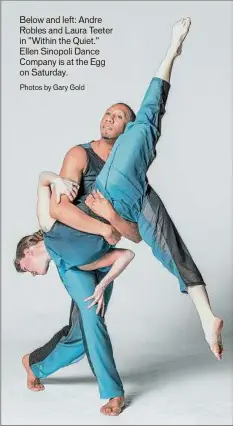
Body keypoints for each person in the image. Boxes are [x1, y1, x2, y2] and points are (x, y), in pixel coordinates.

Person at [14, 18, 223, 416]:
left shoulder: (131, 169)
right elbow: (57, 209)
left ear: (124, 129)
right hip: (76, 250)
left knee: (82, 329)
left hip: (105, 242)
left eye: (116, 115)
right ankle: (112, 391)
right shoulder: (80, 154)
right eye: (106, 113)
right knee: (93, 319)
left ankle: (35, 363)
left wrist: (111, 219)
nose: (108, 118)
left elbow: (133, 237)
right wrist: (102, 225)